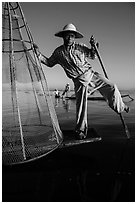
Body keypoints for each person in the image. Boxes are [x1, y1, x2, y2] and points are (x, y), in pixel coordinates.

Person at [33, 23, 129, 140]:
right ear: (63, 37)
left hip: (91, 75)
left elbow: (92, 56)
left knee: (112, 86)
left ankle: (121, 106)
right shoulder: (58, 52)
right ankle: (81, 130)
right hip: (79, 81)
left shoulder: (80, 46)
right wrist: (38, 54)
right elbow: (49, 62)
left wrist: (94, 47)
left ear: (74, 37)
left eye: (72, 36)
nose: (69, 38)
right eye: (67, 36)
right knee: (81, 107)